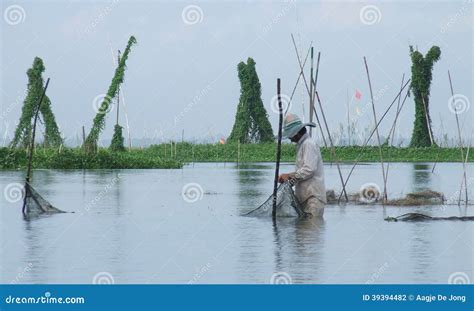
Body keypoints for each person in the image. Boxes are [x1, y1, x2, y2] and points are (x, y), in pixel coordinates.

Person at [278, 114, 326, 217]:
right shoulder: (302, 145)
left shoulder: (308, 144)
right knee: (303, 230)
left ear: (296, 133)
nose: (290, 139)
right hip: (305, 198)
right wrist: (289, 181)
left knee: (310, 230)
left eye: (290, 135)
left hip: (313, 200)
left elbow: (309, 169)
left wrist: (289, 175)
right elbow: (302, 173)